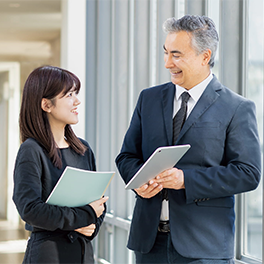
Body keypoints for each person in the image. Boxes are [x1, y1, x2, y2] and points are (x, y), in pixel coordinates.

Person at [115, 15, 261, 264]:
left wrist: (185, 180)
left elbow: (248, 173)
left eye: (176, 55)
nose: (167, 63)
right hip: (149, 244)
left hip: (205, 246)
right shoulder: (148, 99)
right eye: (166, 53)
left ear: (205, 56)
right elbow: (127, 156)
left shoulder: (236, 107)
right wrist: (138, 179)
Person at [13, 65, 108, 264]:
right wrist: (84, 216)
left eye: (76, 93)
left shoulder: (83, 149)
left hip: (83, 253)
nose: (77, 101)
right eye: (69, 95)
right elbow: (29, 209)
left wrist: (92, 224)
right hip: (48, 255)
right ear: (46, 105)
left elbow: (98, 204)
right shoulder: (31, 150)